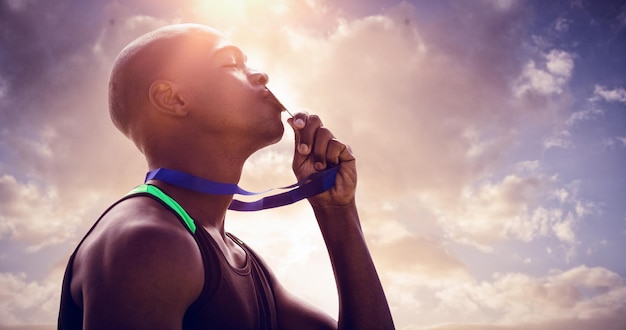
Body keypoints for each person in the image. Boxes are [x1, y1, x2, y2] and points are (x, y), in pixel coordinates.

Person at [58, 23, 394, 330]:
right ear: (172, 98)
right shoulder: (148, 245)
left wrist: (337, 211)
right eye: (232, 63)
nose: (261, 75)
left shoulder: (238, 257)